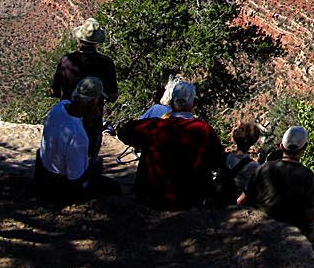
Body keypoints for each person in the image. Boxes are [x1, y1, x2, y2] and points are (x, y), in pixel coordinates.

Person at [117, 80, 224, 210]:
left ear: (172, 102)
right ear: (194, 104)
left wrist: (140, 143)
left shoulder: (154, 126)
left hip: (151, 197)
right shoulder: (204, 130)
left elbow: (123, 132)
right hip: (188, 198)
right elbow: (217, 160)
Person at [35, 77, 116, 203]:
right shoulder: (77, 136)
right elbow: (75, 179)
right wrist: (94, 172)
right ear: (91, 102)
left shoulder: (59, 107)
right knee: (113, 187)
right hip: (60, 186)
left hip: (43, 172)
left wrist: (89, 119)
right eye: (98, 100)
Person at [53, 19, 120, 164]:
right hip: (92, 117)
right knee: (89, 156)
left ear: (79, 39)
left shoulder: (66, 60)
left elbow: (54, 90)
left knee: (64, 154)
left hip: (68, 114)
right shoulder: (106, 63)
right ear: (96, 42)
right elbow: (113, 95)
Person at [249, 126, 314, 233]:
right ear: (304, 147)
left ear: (281, 146)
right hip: (293, 230)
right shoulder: (308, 175)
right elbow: (311, 216)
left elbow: (244, 199)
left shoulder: (264, 168)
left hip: (263, 226)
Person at [214, 122, 268, 207]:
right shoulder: (252, 166)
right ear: (253, 142)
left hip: (217, 198)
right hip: (235, 203)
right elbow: (252, 189)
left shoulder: (225, 156)